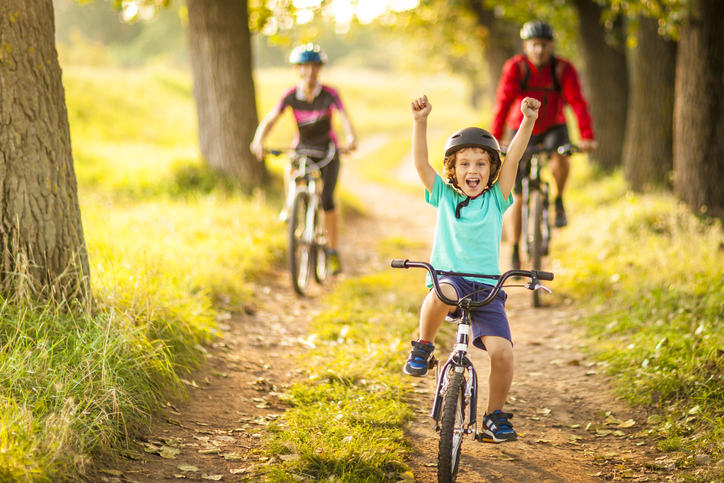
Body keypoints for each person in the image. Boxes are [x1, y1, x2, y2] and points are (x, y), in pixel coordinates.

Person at [406, 93, 541, 443]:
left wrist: (527, 120)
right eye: (464, 164)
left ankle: (494, 415)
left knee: (503, 353)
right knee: (442, 292)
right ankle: (423, 345)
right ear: (453, 170)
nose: (473, 171)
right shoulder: (445, 197)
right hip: (451, 278)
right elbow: (422, 166)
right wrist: (420, 122)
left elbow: (513, 157)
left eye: (481, 164)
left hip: (488, 289)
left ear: (491, 170)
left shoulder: (498, 198)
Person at [490, 20, 596, 270]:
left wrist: (587, 136)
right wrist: (494, 137)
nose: (540, 50)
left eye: (545, 45)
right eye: (535, 45)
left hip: (553, 126)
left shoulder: (563, 69)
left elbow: (578, 102)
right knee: (516, 195)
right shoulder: (515, 68)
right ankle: (515, 252)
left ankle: (558, 199)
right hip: (522, 127)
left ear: (552, 46)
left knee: (562, 155)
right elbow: (503, 102)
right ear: (526, 46)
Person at [250, 43, 357, 275]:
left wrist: (350, 137)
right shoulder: (290, 95)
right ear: (298, 69)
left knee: (328, 200)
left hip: (328, 150)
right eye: (304, 67)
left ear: (320, 69)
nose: (309, 72)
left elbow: (344, 117)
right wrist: (259, 139)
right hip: (304, 148)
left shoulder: (330, 94)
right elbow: (270, 119)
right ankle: (292, 204)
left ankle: (333, 251)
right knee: (292, 163)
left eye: (314, 67)